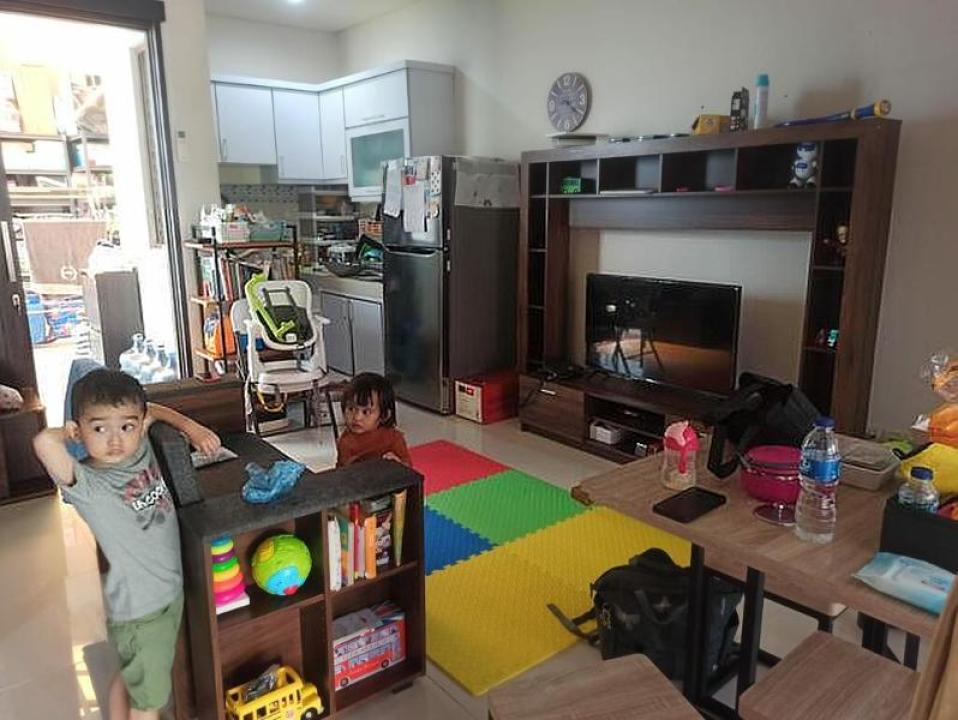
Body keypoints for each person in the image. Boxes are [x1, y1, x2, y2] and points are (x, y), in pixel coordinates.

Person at [32, 369, 220, 720]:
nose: (115, 440)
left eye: (126, 427)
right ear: (78, 430)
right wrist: (68, 433)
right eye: (99, 429)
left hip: (162, 595)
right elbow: (43, 443)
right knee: (147, 703)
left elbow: (151, 410)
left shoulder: (138, 448)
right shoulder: (88, 484)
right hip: (141, 611)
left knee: (134, 680)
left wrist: (191, 427)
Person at [335, 372, 411, 468]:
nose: (357, 417)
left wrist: (398, 463)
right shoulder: (345, 442)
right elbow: (340, 472)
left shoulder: (394, 439)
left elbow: (409, 469)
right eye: (351, 409)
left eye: (366, 412)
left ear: (384, 415)